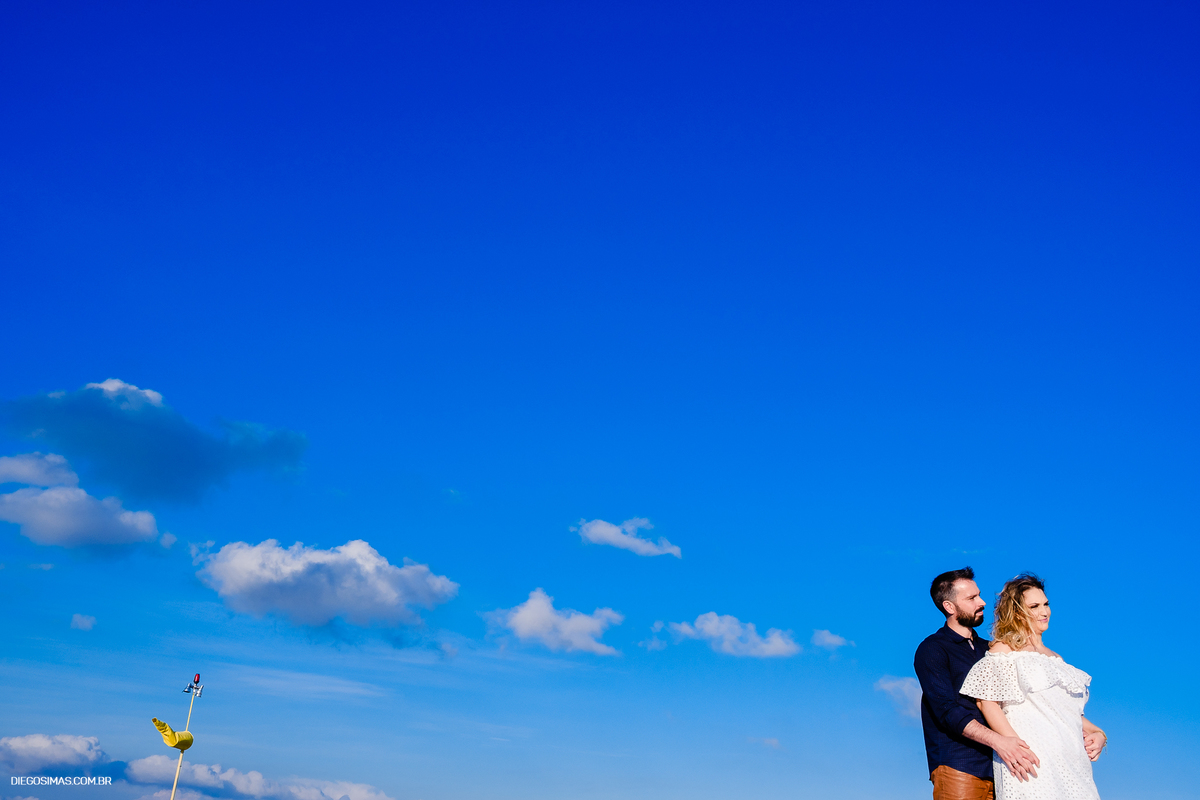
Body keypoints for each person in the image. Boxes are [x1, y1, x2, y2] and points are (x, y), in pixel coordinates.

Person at [960, 574, 1106, 800]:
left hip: (1073, 763)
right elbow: (987, 702)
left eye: (1046, 604)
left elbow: (1065, 711)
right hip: (1031, 762)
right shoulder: (1005, 650)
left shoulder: (1057, 659)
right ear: (1017, 612)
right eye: (1035, 606)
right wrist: (1014, 747)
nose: (1044, 611)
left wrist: (1098, 732)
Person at [915, 568, 1040, 800]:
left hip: (1005, 768)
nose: (982, 602)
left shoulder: (992, 649)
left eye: (979, 595)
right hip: (959, 766)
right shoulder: (932, 649)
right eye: (971, 598)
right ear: (949, 607)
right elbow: (946, 711)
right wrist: (999, 741)